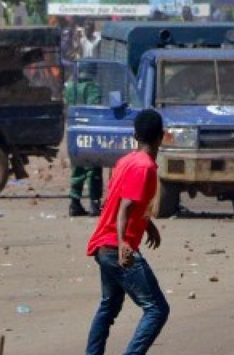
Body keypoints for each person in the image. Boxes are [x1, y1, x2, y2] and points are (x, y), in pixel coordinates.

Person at [85, 109, 168, 355]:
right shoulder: (145, 168)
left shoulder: (126, 161)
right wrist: (123, 243)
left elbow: (119, 200)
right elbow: (124, 208)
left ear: (135, 135)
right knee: (157, 309)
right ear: (161, 137)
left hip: (104, 245)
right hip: (116, 248)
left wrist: (147, 224)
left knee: (108, 307)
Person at [64, 65, 103, 217]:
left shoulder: (70, 87)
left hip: (74, 130)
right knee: (93, 167)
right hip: (89, 130)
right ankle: (94, 204)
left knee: (77, 166)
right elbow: (95, 108)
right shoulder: (92, 88)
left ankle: (74, 203)